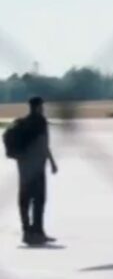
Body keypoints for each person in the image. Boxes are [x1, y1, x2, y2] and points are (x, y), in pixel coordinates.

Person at [16, 96, 58, 245]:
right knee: (39, 200)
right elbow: (44, 144)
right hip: (37, 168)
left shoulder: (23, 122)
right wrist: (52, 162)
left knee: (25, 200)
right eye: (42, 106)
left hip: (23, 167)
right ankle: (37, 232)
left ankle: (27, 232)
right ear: (39, 107)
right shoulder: (40, 122)